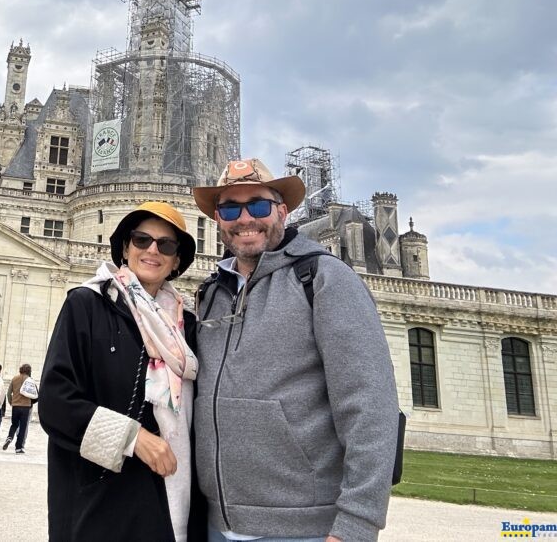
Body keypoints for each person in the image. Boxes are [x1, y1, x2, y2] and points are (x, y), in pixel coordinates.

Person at [192, 159, 399, 542]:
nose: (244, 219)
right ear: (218, 219)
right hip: (215, 526)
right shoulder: (212, 293)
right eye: (230, 208)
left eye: (257, 205)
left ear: (282, 211)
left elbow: (370, 405)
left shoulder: (324, 278)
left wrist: (357, 525)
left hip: (301, 530)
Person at [39, 201, 201, 542]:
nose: (152, 250)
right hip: (98, 497)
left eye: (166, 245)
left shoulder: (187, 328)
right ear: (125, 248)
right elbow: (56, 403)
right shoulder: (86, 304)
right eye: (142, 240)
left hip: (166, 494)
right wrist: (134, 438)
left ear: (176, 261)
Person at [1, 363, 36, 453]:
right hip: (26, 407)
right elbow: (36, 395)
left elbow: (8, 393)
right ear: (29, 371)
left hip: (15, 406)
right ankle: (18, 448)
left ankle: (9, 437)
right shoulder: (30, 380)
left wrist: (11, 402)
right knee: (23, 428)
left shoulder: (14, 378)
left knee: (14, 424)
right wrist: (31, 403)